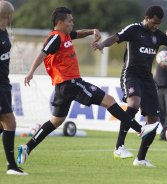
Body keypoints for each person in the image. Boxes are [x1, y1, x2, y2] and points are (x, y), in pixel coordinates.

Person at [17, 7, 158, 166]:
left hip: (62, 87)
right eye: (70, 21)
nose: (72, 23)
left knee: (56, 121)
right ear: (60, 22)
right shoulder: (56, 37)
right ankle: (140, 130)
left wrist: (92, 31)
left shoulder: (66, 35)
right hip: (71, 82)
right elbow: (42, 53)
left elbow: (79, 33)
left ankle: (27, 147)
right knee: (109, 100)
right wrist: (30, 72)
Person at [92, 5, 167, 167]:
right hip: (131, 74)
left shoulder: (157, 35)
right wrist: (101, 45)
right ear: (147, 17)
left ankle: (141, 159)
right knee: (133, 104)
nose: (155, 26)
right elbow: (115, 38)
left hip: (148, 80)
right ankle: (119, 147)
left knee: (154, 120)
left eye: (158, 24)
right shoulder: (134, 29)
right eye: (154, 23)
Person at [0, 0, 28, 175]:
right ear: (9, 15)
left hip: (4, 84)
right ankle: (11, 166)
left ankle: (12, 166)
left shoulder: (4, 33)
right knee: (10, 121)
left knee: (3, 125)